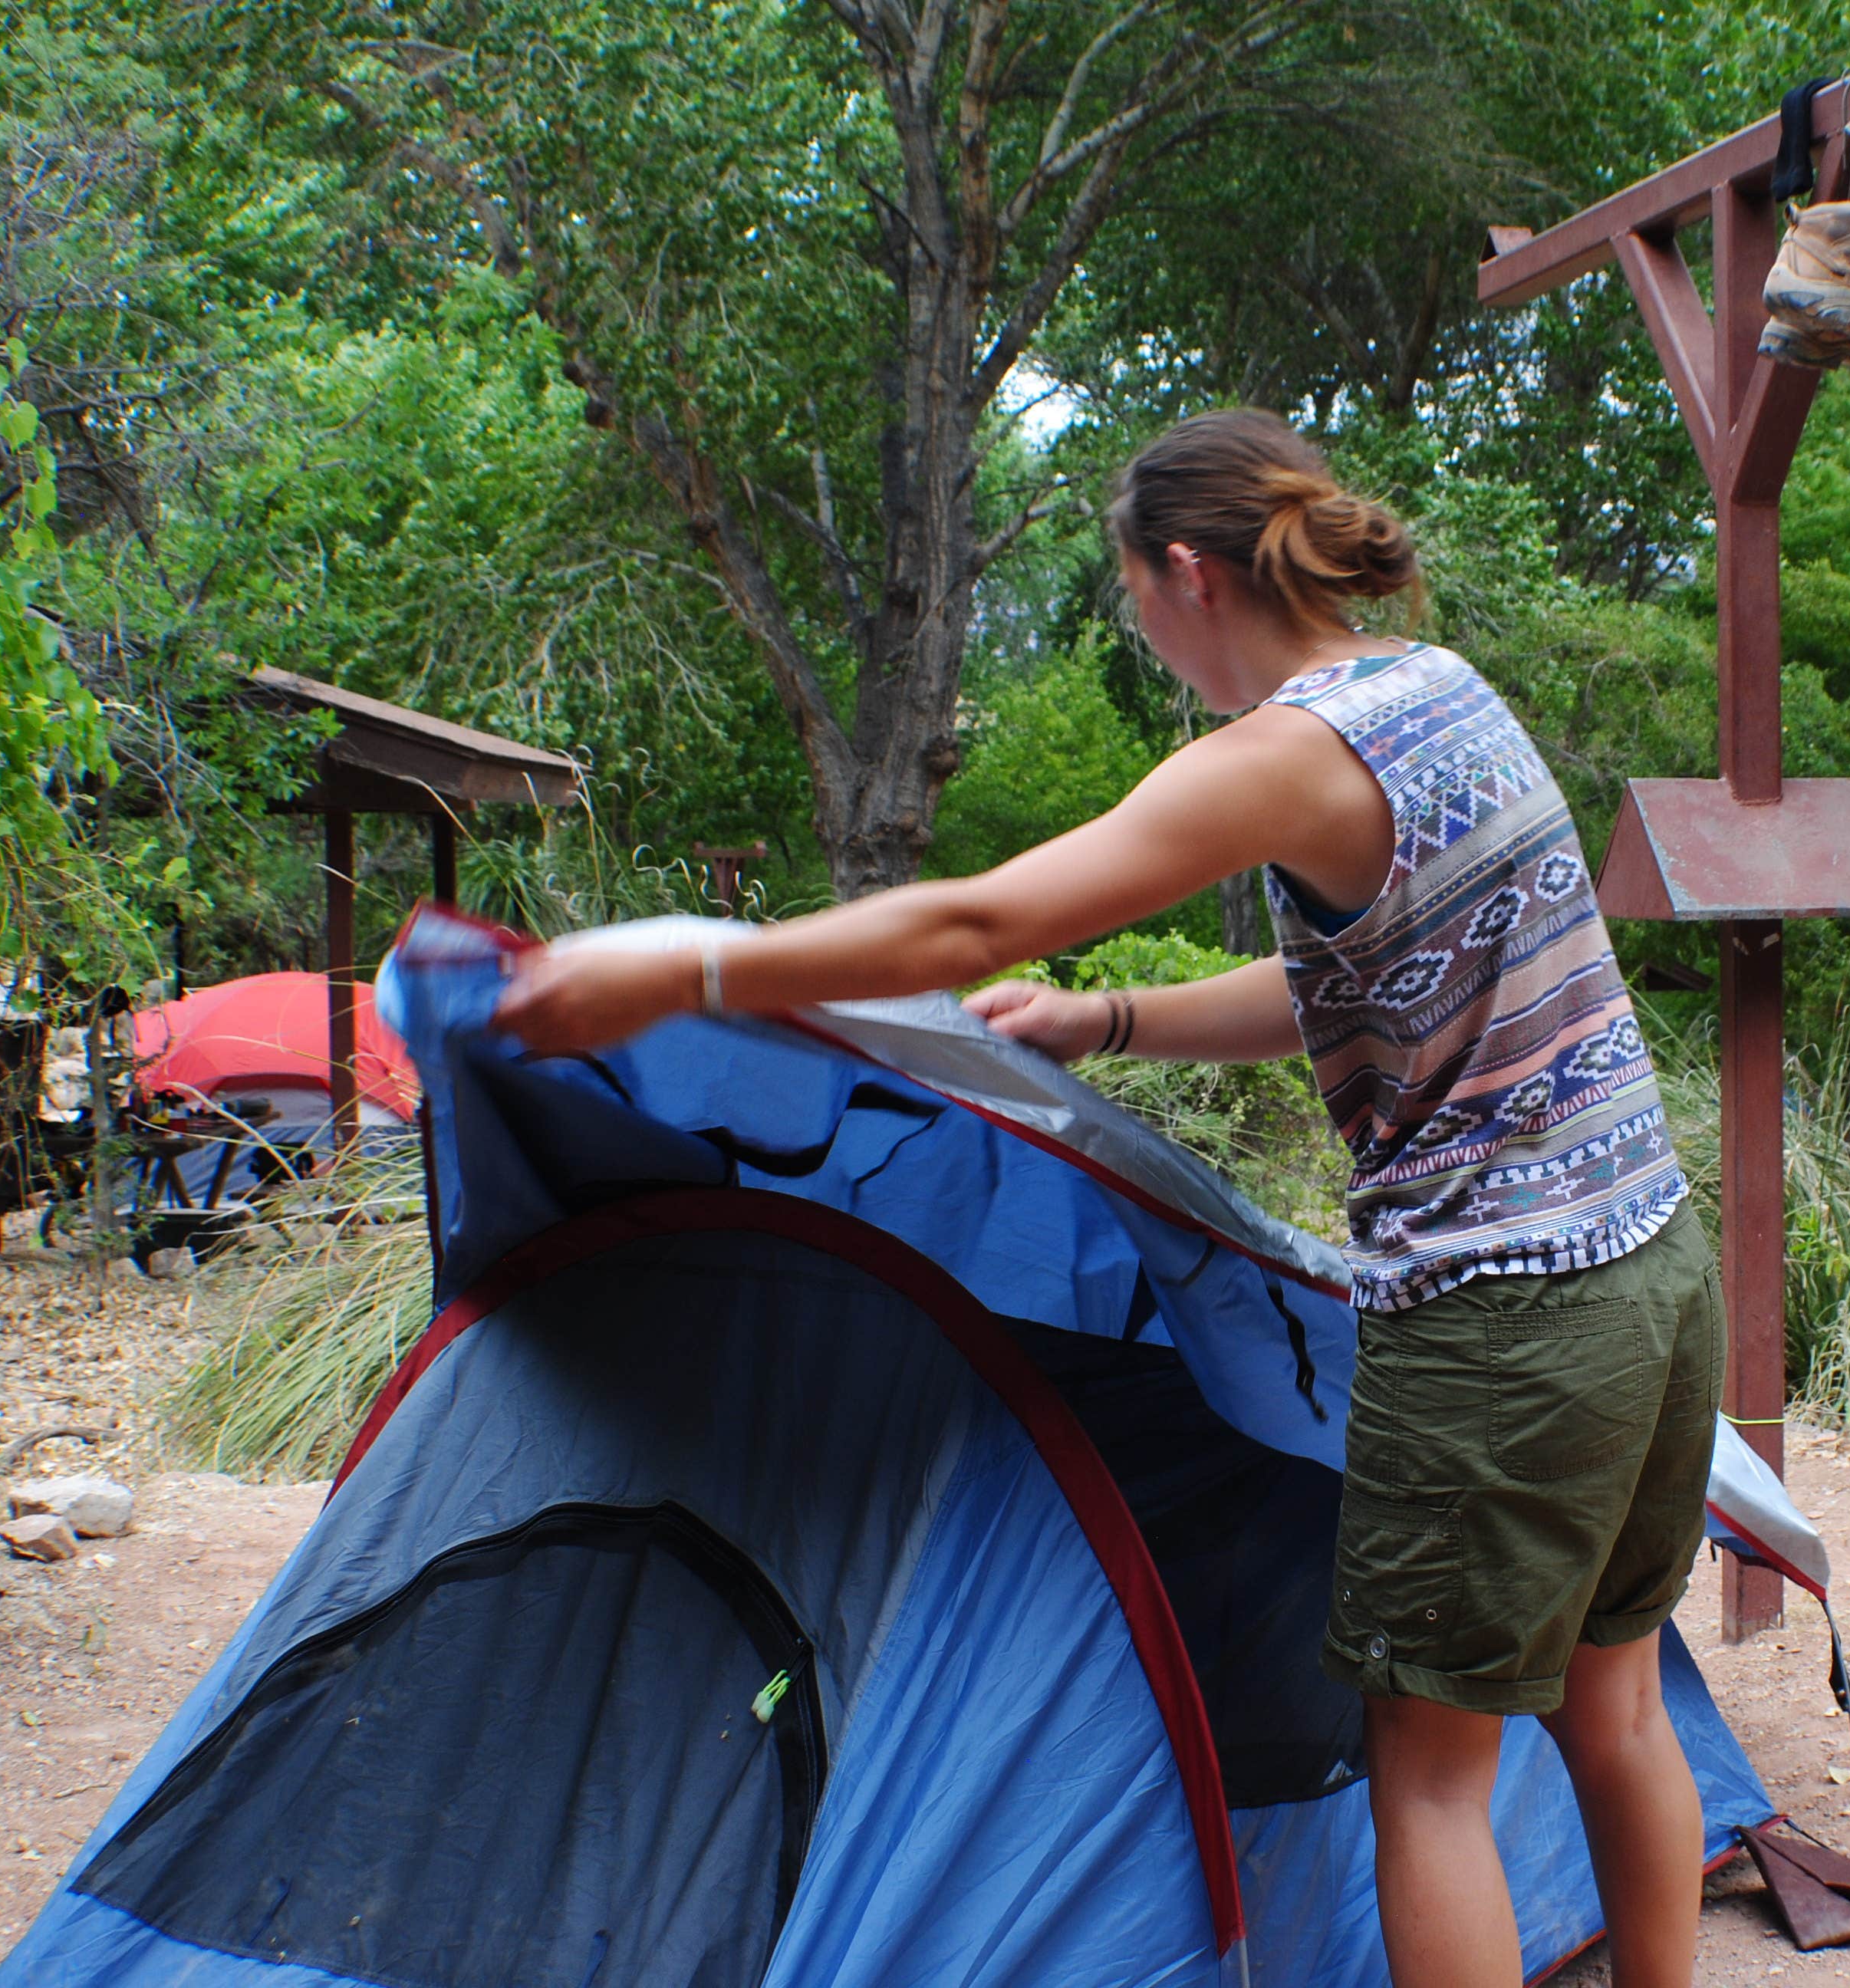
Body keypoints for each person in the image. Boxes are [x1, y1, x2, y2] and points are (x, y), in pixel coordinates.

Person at [492, 408, 1722, 1988]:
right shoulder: (1434, 688)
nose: (1142, 629)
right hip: (1650, 1269)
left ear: (1188, 571)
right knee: (1617, 1716)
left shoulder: (1284, 752)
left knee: (1428, 1781)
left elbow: (976, 922)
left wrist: (688, 971)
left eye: (1133, 595)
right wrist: (1113, 1018)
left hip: (1505, 1318)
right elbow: (1355, 985)